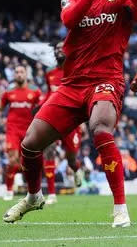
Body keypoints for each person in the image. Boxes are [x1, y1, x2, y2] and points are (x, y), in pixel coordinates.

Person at [2, 0, 137, 227]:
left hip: (106, 80)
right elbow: (70, 21)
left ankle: (120, 207)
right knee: (30, 144)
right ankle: (34, 197)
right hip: (71, 86)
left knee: (101, 128)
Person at [42, 41, 84, 205]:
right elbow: (49, 96)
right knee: (49, 151)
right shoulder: (50, 74)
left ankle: (76, 169)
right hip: (53, 119)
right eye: (57, 49)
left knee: (71, 158)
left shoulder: (76, 71)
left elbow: (82, 97)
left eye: (62, 48)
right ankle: (51, 194)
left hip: (72, 121)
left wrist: (82, 120)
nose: (59, 50)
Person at [0, 65, 42, 201]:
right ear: (14, 75)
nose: (19, 74)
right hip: (12, 129)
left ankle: (33, 190)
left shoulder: (35, 91)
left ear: (26, 74)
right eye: (17, 72)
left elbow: (43, 107)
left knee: (29, 161)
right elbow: (0, 107)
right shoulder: (9, 92)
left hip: (29, 130)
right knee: (12, 159)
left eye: (21, 72)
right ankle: (9, 190)